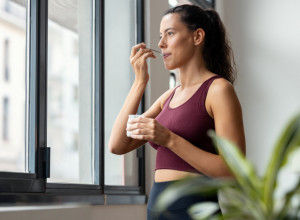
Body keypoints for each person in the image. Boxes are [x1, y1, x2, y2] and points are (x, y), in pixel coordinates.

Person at [108, 4, 246, 220]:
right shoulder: (168, 97)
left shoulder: (218, 90)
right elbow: (117, 145)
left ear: (197, 36)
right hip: (156, 210)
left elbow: (233, 170)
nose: (161, 43)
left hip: (195, 211)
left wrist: (169, 139)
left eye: (170, 34)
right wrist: (139, 83)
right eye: (160, 36)